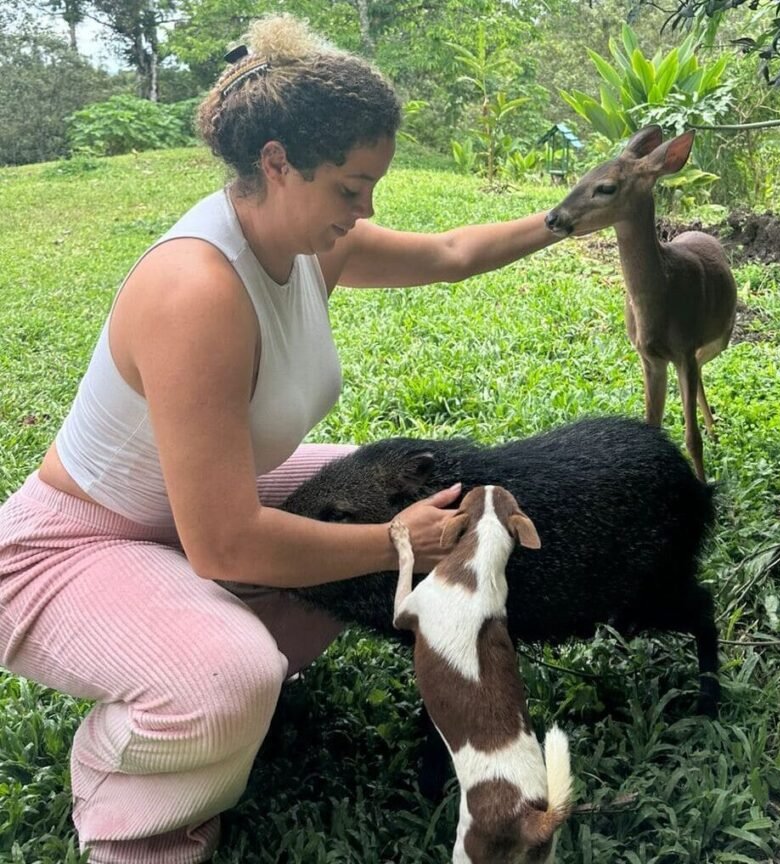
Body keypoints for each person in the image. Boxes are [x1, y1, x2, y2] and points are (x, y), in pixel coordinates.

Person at [0, 13, 564, 864]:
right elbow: (225, 539)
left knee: (395, 486)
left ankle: (197, 658)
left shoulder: (308, 243)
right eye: (350, 186)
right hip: (75, 545)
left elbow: (450, 250)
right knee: (232, 676)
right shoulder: (198, 290)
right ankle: (125, 787)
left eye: (373, 185)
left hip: (188, 518)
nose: (365, 207)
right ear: (276, 163)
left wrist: (576, 214)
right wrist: (387, 545)